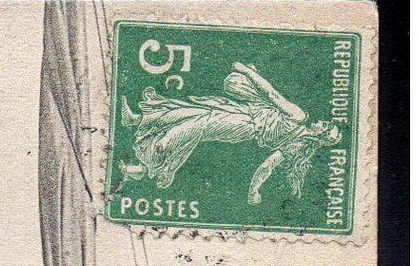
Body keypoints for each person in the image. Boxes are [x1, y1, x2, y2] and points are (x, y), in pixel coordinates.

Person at [118, 63, 342, 206]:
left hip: (246, 123)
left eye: (326, 127)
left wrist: (248, 72)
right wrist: (254, 190)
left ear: (321, 133)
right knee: (193, 112)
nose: (323, 122)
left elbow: (272, 94)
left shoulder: (299, 117)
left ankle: (148, 163)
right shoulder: (298, 144)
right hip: (242, 115)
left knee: (198, 123)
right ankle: (138, 120)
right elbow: (268, 165)